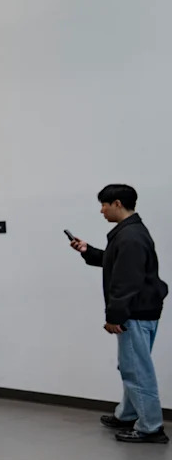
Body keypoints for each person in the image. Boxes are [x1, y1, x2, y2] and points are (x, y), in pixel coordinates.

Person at [70, 184, 169, 444]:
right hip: (141, 310)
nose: (101, 210)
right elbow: (117, 262)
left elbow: (126, 282)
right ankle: (127, 414)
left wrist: (114, 317)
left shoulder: (130, 236)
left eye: (104, 205)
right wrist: (88, 251)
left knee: (136, 370)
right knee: (132, 366)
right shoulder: (129, 232)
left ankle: (150, 427)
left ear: (117, 204)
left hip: (134, 313)